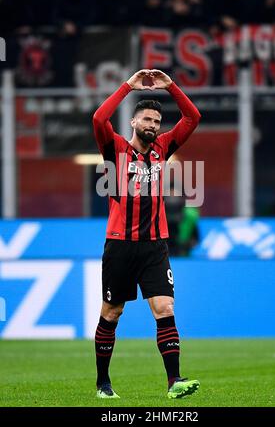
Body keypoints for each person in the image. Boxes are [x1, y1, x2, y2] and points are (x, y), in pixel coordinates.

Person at [92, 69, 201, 399]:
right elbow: (99, 117)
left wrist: (170, 86)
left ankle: (174, 382)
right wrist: (129, 86)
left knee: (165, 308)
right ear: (133, 123)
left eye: (156, 120)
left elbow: (193, 117)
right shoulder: (115, 149)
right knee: (112, 312)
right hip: (120, 246)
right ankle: (103, 383)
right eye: (147, 120)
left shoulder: (163, 148)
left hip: (155, 246)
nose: (153, 125)